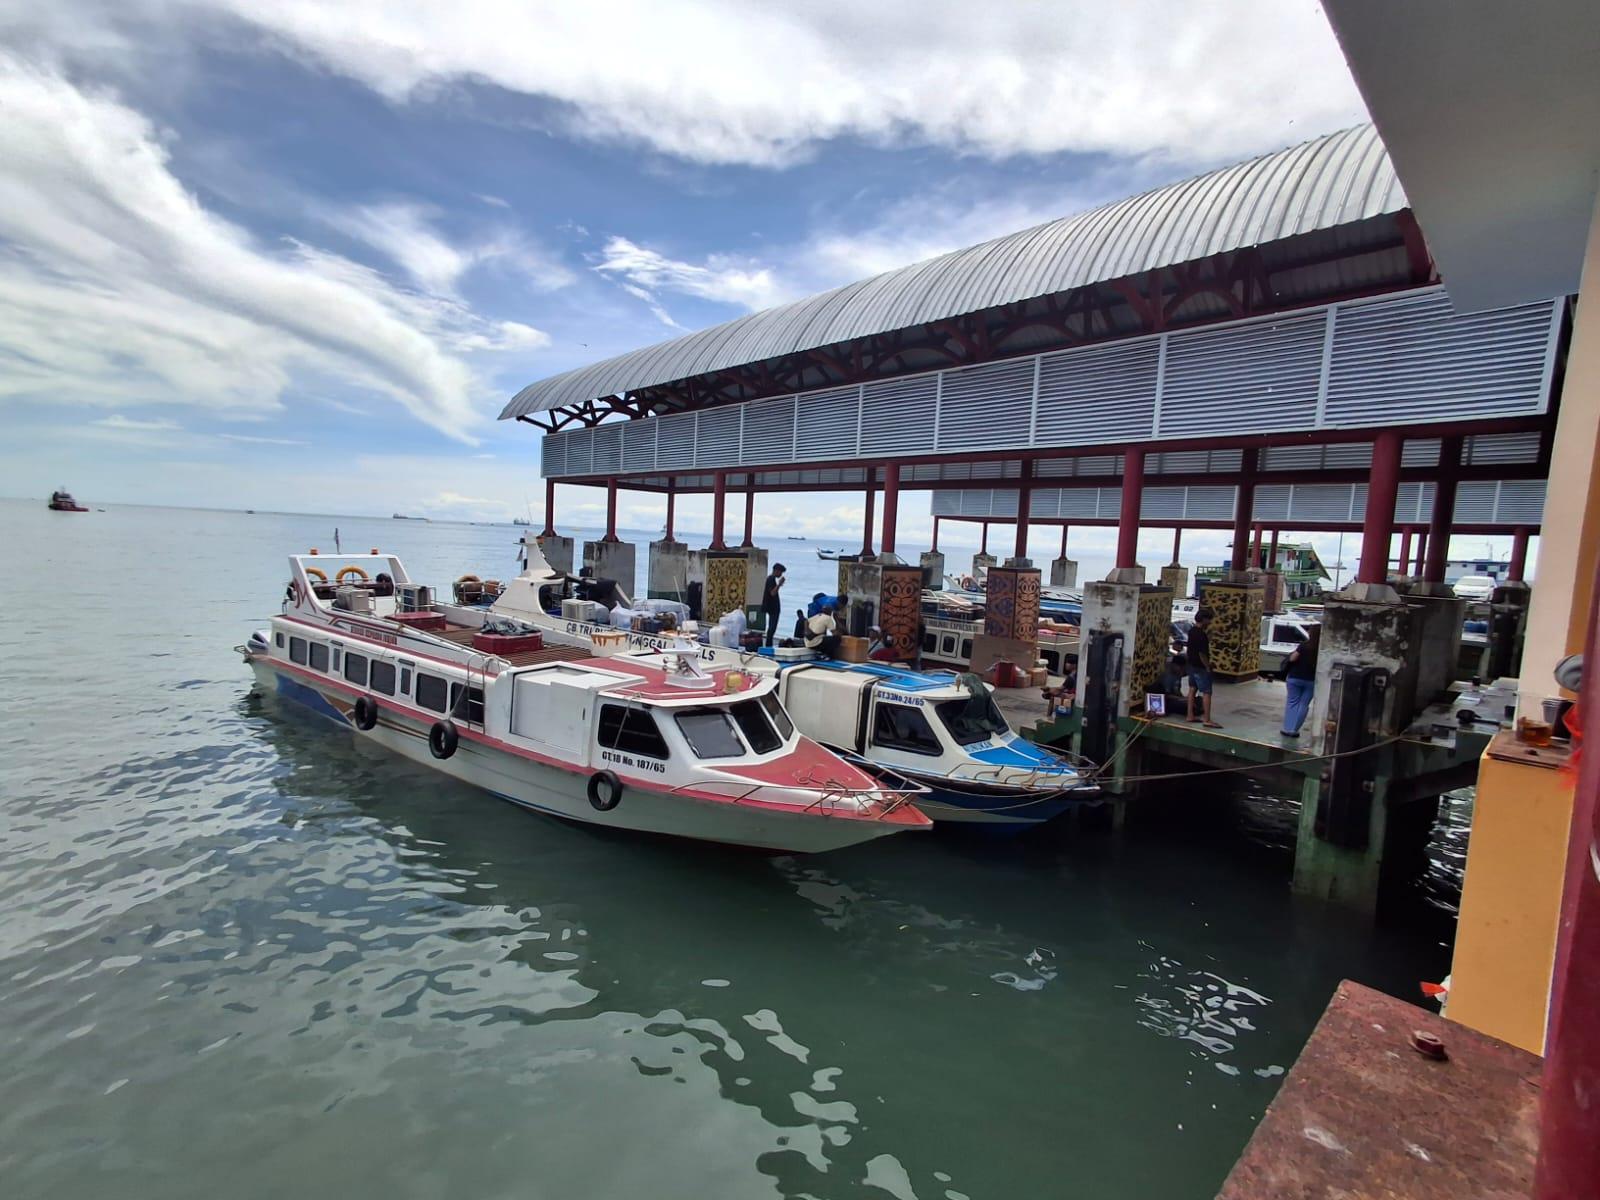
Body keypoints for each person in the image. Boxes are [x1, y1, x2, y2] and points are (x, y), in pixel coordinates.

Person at [1280, 627, 1320, 738]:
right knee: (1304, 705)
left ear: (1311, 633)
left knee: (1292, 702)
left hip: (1295, 677)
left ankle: (1288, 728)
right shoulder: (1321, 648)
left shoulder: (1303, 645)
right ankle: (1294, 730)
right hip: (1311, 680)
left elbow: (1293, 659)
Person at [1186, 607, 1222, 728]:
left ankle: (1190, 715)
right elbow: (1202, 653)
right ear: (1204, 619)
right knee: (1207, 692)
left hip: (1191, 664)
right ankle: (1207, 719)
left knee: (1192, 689)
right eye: (1209, 619)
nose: (1210, 622)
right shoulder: (1201, 635)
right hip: (1200, 667)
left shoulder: (1191, 631)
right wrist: (1207, 667)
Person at [761, 563, 787, 647]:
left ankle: (769, 644)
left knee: (772, 628)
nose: (781, 574)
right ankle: (768, 645)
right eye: (780, 572)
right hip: (772, 607)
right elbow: (772, 593)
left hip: (771, 606)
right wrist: (779, 584)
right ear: (776, 571)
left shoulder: (771, 579)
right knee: (772, 628)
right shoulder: (771, 579)